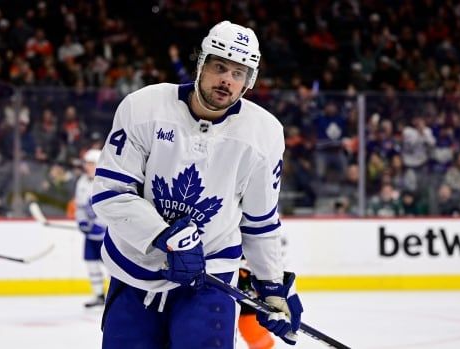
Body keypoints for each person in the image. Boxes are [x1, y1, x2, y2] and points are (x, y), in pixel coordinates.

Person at [92, 20, 303, 348]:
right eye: (220, 67)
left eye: (238, 74)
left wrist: (272, 287)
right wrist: (165, 236)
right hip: (134, 270)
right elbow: (110, 192)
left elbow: (260, 222)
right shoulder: (143, 107)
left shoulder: (265, 134)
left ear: (249, 83)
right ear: (201, 64)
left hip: (211, 277)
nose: (226, 80)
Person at [74, 149, 106, 308]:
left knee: (112, 266)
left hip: (107, 235)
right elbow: (80, 207)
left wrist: (102, 226)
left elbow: (112, 208)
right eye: (86, 163)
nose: (88, 166)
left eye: (91, 163)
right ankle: (99, 295)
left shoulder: (106, 181)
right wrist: (82, 222)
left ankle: (117, 296)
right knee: (91, 263)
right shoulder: (81, 182)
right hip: (90, 236)